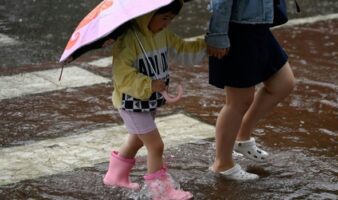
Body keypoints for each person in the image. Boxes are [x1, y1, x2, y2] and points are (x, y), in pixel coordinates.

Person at [103, 0, 206, 199]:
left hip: (148, 101)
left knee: (136, 140)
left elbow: (181, 48)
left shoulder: (162, 35)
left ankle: (115, 176)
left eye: (171, 19)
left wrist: (206, 45)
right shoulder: (129, 40)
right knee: (155, 146)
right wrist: (149, 84)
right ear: (148, 15)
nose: (167, 23)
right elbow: (122, 76)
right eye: (164, 18)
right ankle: (161, 191)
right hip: (131, 102)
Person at [205, 0, 295, 180]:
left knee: (283, 83)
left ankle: (242, 137)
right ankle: (222, 164)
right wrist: (218, 34)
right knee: (239, 101)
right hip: (238, 29)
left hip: (258, 26)